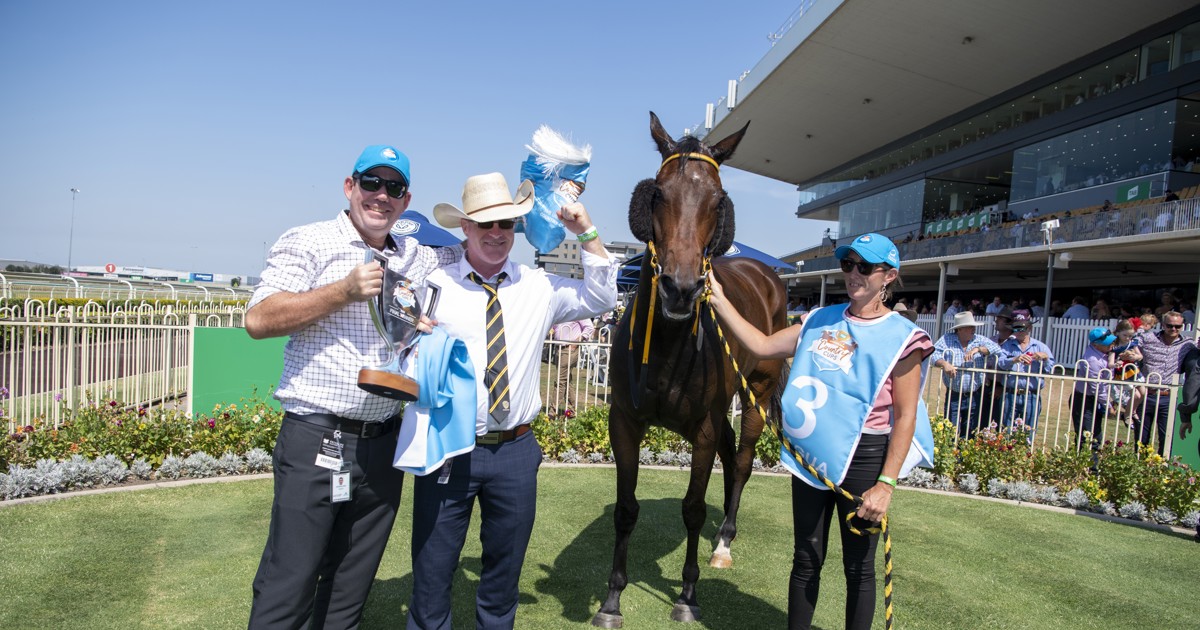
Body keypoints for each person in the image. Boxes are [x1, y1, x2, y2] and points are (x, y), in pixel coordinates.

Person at [245, 145, 461, 629]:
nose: (381, 195)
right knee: (290, 582)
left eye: (394, 187)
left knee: (350, 588)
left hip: (382, 445)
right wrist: (342, 291)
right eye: (371, 183)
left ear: (406, 201)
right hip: (317, 437)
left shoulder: (416, 256)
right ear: (350, 186)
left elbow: (477, 246)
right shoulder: (310, 240)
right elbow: (258, 319)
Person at [408, 172, 617, 629]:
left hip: (515, 451)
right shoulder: (435, 285)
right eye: (486, 224)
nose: (497, 233)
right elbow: (398, 338)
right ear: (466, 227)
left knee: (504, 576)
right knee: (432, 570)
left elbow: (603, 296)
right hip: (449, 446)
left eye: (506, 223)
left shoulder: (537, 285)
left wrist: (586, 231)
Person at [706, 232, 933, 630]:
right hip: (812, 458)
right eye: (848, 264)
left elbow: (906, 416)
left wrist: (885, 484)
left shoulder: (905, 338)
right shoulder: (819, 318)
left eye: (865, 267)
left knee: (858, 567)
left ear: (889, 276)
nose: (854, 274)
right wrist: (720, 300)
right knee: (806, 558)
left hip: (865, 458)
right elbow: (762, 345)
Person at [933, 311, 1005, 439]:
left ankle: (964, 450)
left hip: (975, 394)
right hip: (954, 394)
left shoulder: (979, 339)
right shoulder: (946, 339)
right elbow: (933, 354)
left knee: (970, 429)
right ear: (960, 329)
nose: (973, 329)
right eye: (969, 327)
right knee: (950, 428)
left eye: (973, 326)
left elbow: (998, 350)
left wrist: (978, 349)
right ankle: (950, 450)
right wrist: (944, 363)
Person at [1134, 310, 1195, 455]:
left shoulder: (1188, 344)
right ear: (1163, 325)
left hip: (1168, 397)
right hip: (1147, 394)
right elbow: (1129, 344)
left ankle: (1161, 465)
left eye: (1177, 326)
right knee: (1141, 436)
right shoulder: (1148, 338)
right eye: (1169, 325)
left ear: (1182, 326)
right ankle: (1139, 464)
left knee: (1166, 437)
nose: (1173, 329)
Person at [998, 313, 1054, 436]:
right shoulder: (1007, 345)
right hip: (1010, 393)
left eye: (1021, 328)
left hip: (1031, 395)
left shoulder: (1040, 346)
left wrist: (1045, 358)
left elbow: (1050, 369)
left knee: (1029, 431)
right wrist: (1014, 359)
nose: (1018, 332)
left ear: (1029, 328)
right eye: (1015, 328)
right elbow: (1001, 363)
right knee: (1007, 430)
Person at [1073, 327, 1117, 452]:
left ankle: (1092, 463)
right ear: (1095, 344)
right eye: (1107, 343)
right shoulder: (1092, 361)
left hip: (1094, 399)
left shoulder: (1102, 354)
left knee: (1094, 436)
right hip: (1085, 401)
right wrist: (1108, 406)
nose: (1111, 344)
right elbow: (1097, 387)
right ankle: (1087, 463)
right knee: (1087, 438)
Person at [549, 317, 595, 415]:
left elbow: (589, 327)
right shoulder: (561, 312)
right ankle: (571, 410)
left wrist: (575, 343)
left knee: (560, 380)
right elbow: (554, 327)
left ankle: (553, 412)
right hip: (558, 348)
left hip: (569, 349)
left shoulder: (579, 312)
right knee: (566, 380)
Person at [1108, 319, 1146, 428]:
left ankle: (1132, 411)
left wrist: (1135, 357)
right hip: (1123, 373)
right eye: (1125, 335)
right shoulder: (1114, 346)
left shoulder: (1132, 343)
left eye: (1130, 336)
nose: (1128, 338)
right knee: (1136, 395)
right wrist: (1116, 364)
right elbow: (1110, 363)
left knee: (1143, 393)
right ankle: (1127, 415)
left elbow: (1140, 356)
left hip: (1133, 370)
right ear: (1118, 332)